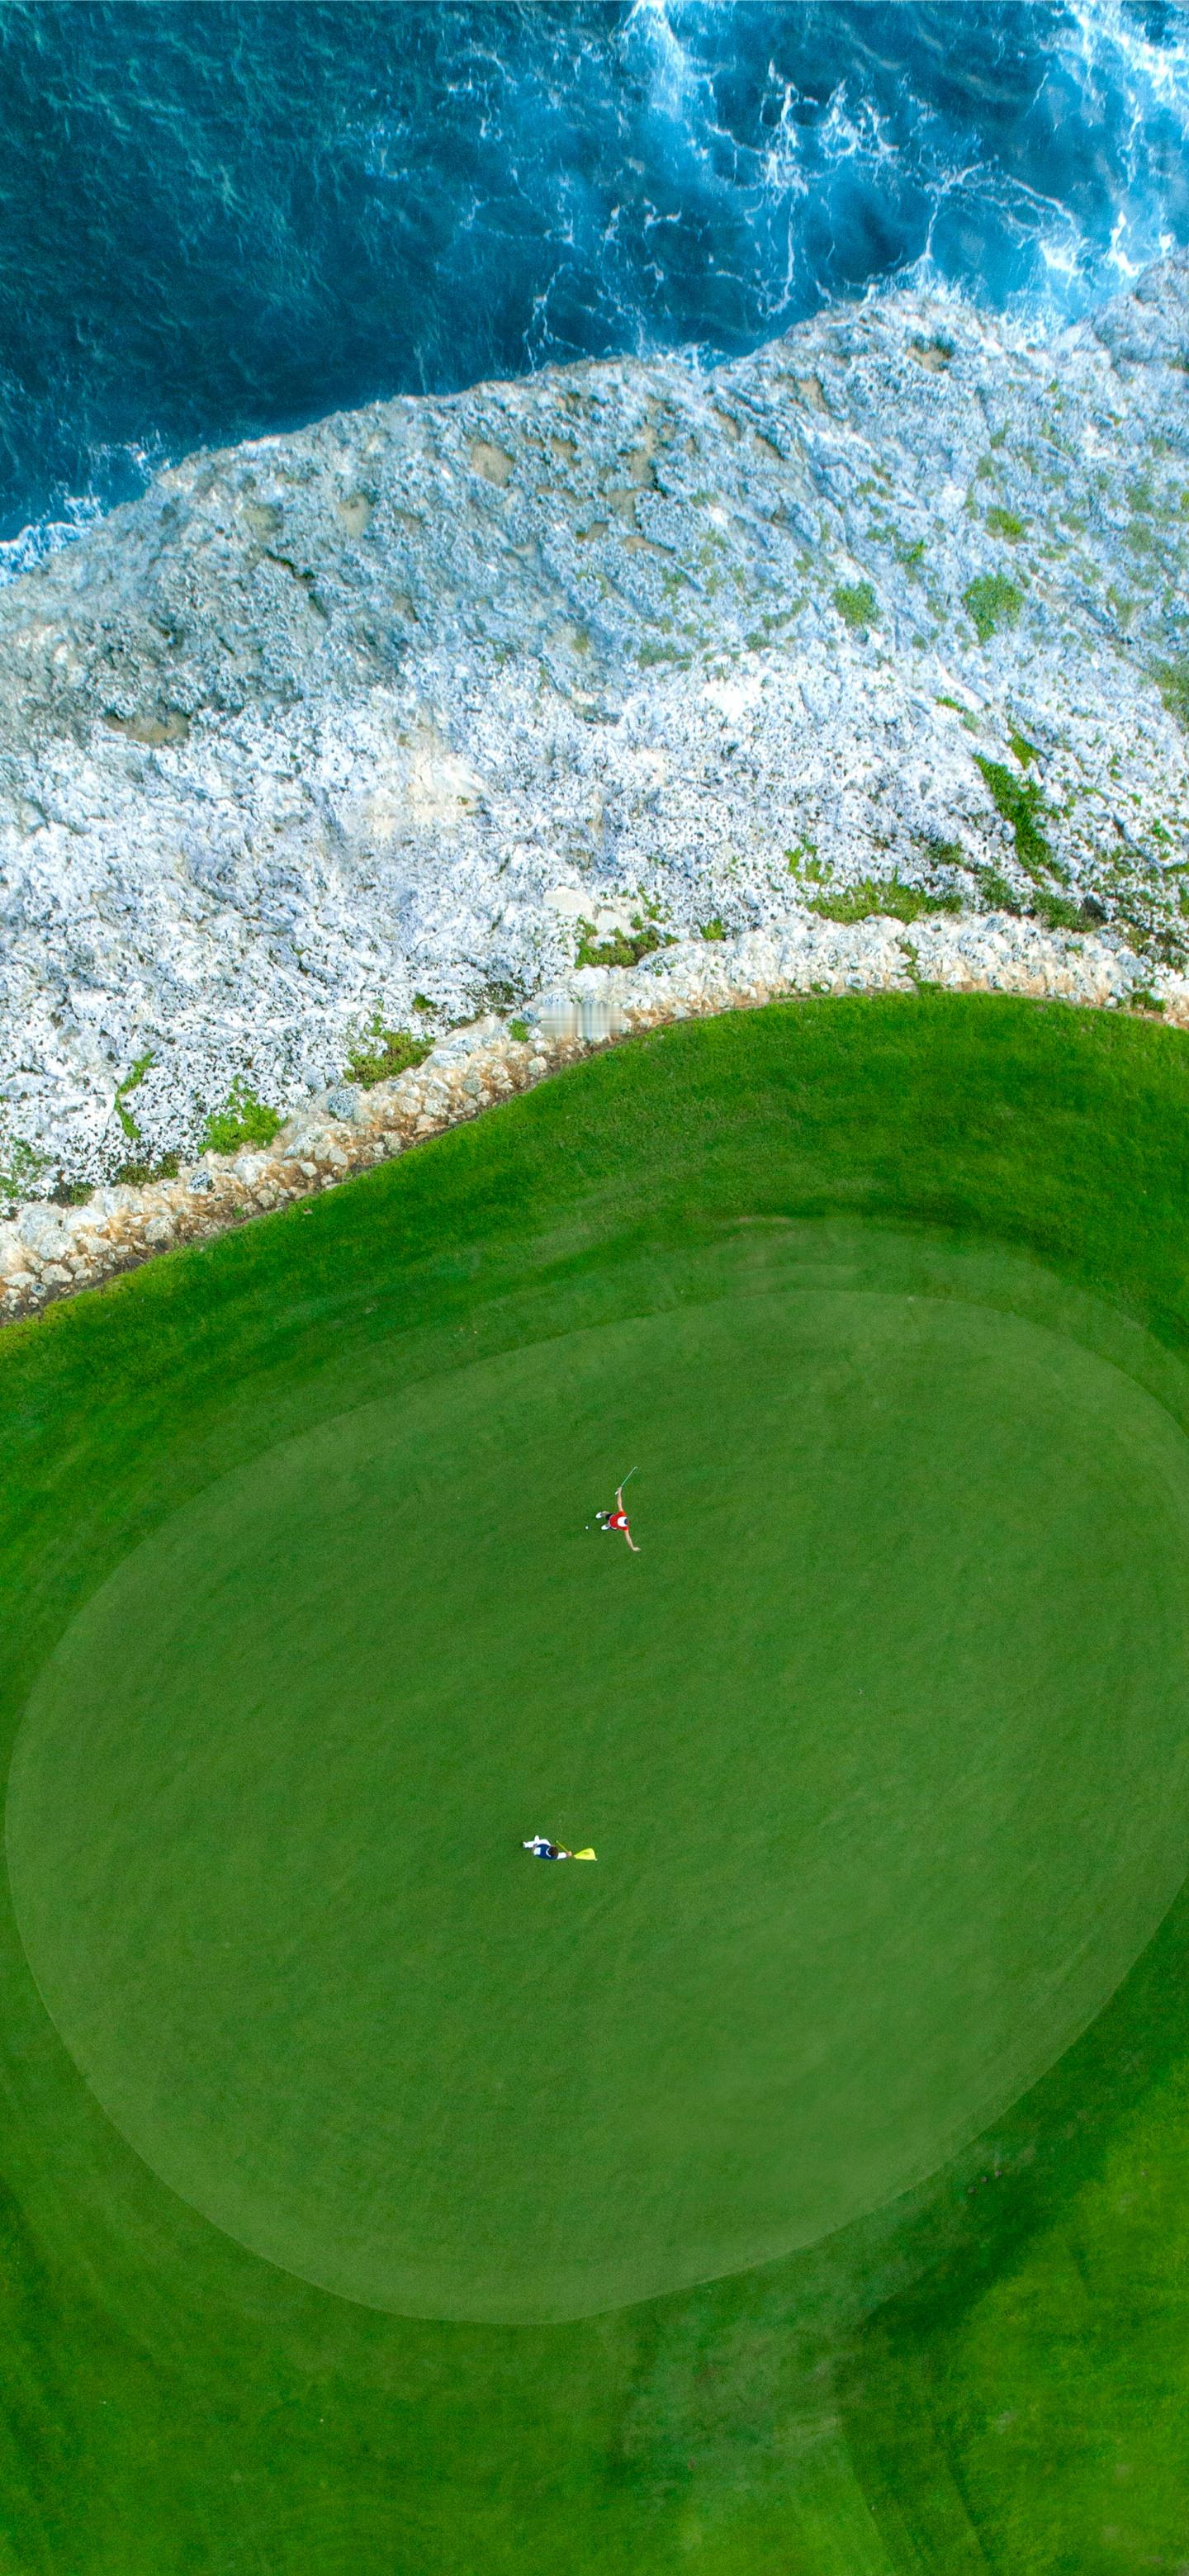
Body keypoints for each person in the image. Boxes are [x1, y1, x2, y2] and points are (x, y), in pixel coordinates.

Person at [595, 1483, 639, 1552]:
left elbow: (628, 1538)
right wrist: (619, 1492)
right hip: (611, 1517)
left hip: (614, 1526)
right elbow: (619, 1503)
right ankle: (602, 1514)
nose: (618, 1521)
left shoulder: (625, 1527)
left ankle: (608, 1525)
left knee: (610, 1525)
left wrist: (632, 1547)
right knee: (606, 1513)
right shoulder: (622, 1514)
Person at [523, 1836, 597, 1860]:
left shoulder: (540, 1851)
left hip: (538, 1848)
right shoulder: (556, 1856)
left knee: (538, 1842)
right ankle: (537, 1841)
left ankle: (526, 1845)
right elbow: (566, 1855)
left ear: (549, 1849)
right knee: (545, 1840)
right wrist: (569, 1854)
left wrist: (535, 1846)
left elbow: (533, 1852)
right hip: (545, 1846)